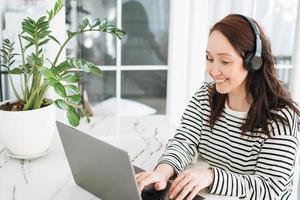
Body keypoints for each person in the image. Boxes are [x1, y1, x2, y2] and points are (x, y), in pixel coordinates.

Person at [136, 14, 300, 200]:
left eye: (225, 61)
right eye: (209, 58)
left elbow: (271, 189)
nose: (213, 70)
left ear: (253, 62)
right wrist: (163, 171)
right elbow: (184, 141)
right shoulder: (205, 97)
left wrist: (212, 176)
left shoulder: (280, 117)